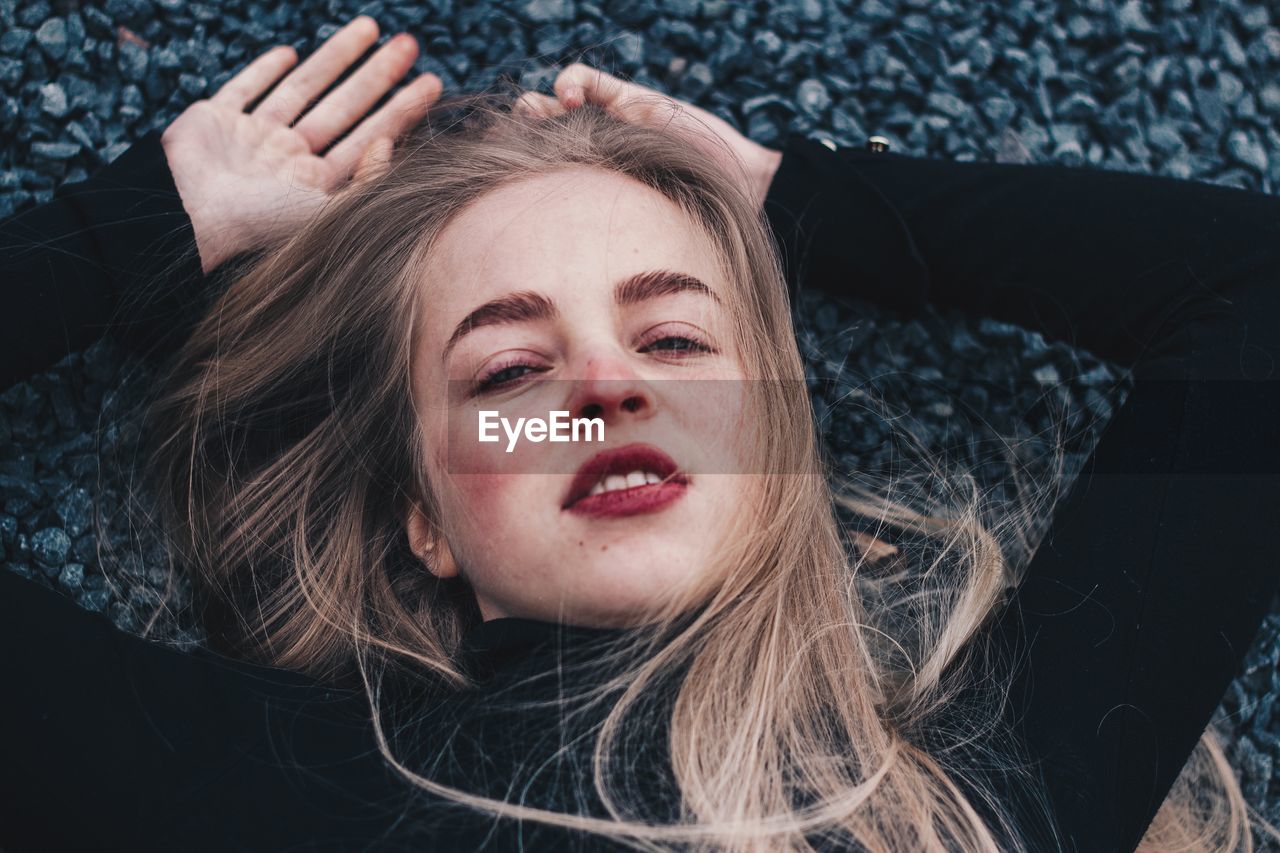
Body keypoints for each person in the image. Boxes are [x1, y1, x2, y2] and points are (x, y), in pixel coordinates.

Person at [2, 16, 1278, 853]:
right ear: (422, 518)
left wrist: (797, 200)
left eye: (674, 344)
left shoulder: (969, 798)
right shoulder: (249, 789)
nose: (606, 390)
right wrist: (142, 227)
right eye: (512, 369)